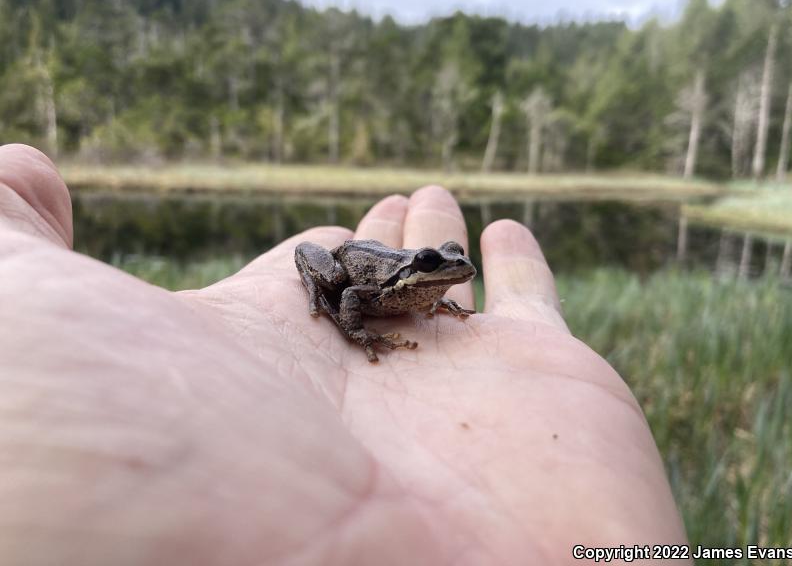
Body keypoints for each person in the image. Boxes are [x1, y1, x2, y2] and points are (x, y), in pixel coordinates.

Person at [0, 143, 689, 564]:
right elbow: (355, 301)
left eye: (452, 266)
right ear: (413, 266)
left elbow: (434, 282)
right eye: (437, 266)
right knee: (333, 289)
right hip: (354, 266)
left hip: (390, 277)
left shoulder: (423, 289)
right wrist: (353, 329)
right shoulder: (388, 285)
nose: (452, 271)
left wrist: (434, 297)